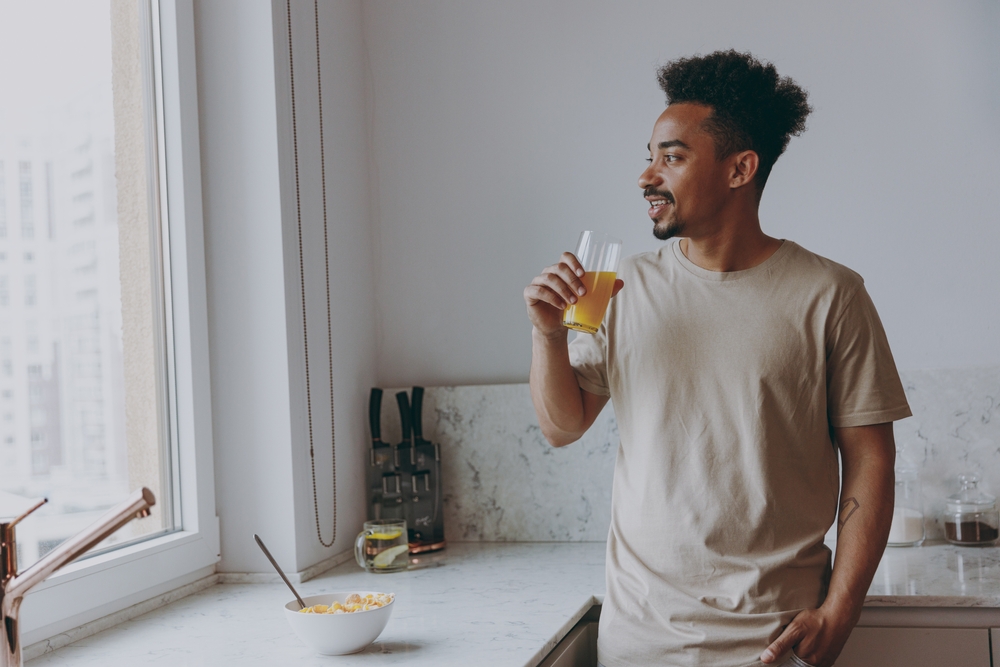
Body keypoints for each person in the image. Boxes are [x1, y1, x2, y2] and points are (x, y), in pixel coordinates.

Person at [523, 50, 911, 667]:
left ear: (740, 169)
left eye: (671, 157)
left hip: (777, 645)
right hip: (638, 642)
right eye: (649, 157)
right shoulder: (620, 289)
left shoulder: (831, 294)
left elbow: (871, 457)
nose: (647, 175)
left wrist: (842, 610)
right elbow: (563, 426)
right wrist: (547, 335)